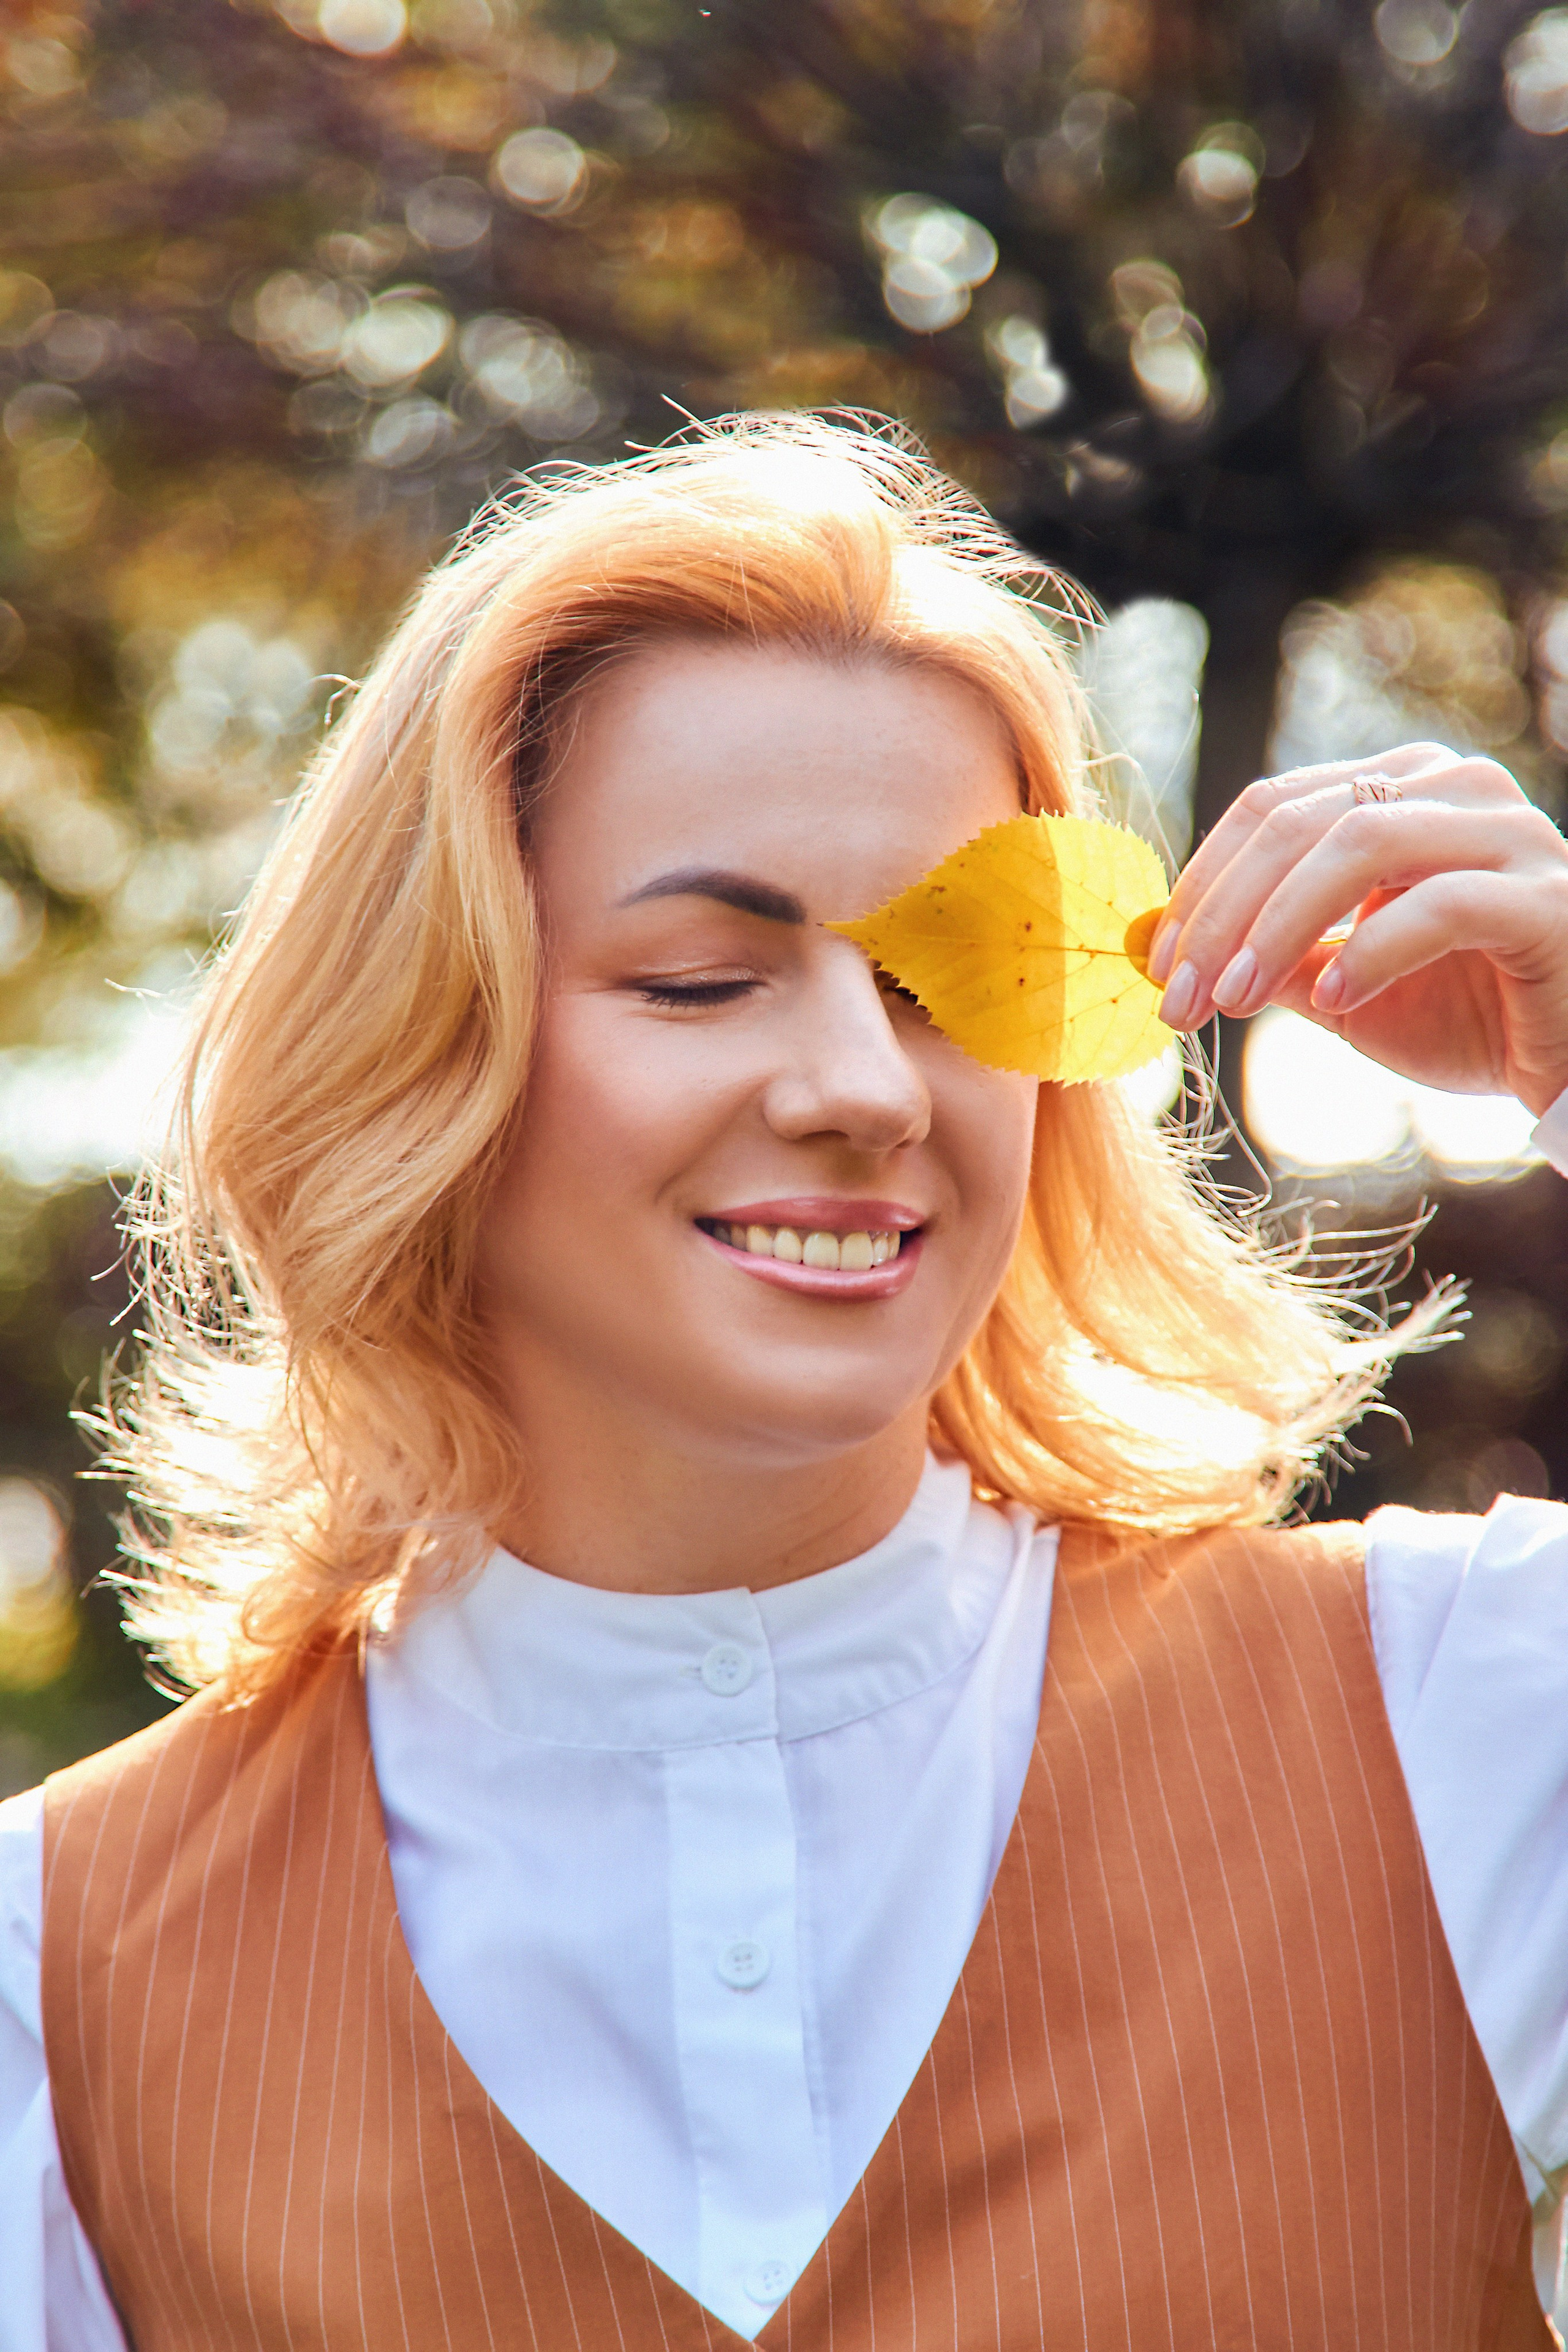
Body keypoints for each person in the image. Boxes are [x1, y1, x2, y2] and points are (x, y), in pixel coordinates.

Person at [1, 413, 1566, 2352]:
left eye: (953, 983)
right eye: (695, 980)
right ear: (425, 1048)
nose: (864, 1088)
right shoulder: (52, 1966)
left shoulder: (1471, 1715)